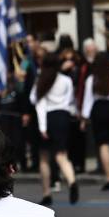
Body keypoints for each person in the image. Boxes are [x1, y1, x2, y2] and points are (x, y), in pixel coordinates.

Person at [32, 54, 79, 206]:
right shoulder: (66, 80)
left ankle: (47, 193)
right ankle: (72, 181)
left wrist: (42, 127)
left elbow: (37, 102)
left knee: (44, 158)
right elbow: (70, 99)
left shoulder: (42, 80)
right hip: (63, 116)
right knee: (62, 154)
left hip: (48, 117)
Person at [81, 51, 109, 193]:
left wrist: (84, 118)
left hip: (99, 110)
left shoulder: (92, 79)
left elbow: (88, 100)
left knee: (103, 144)